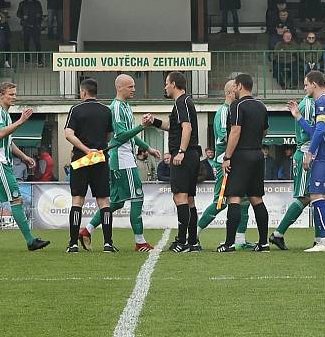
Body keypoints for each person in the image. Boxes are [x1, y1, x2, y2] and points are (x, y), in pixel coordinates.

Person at [78, 75, 160, 252]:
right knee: (137, 196)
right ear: (120, 88)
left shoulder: (125, 106)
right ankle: (140, 242)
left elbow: (128, 135)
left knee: (116, 202)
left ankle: (87, 230)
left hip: (122, 158)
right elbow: (121, 136)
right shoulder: (115, 108)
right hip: (123, 160)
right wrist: (142, 126)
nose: (134, 89)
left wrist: (148, 148)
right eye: (130, 86)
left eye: (134, 86)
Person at [0, 82, 48, 252]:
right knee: (16, 199)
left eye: (15, 94)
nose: (14, 97)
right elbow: (1, 133)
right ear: (0, 95)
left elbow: (8, 141)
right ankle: (30, 241)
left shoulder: (5, 114)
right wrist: (21, 121)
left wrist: (24, 157)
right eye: (11, 94)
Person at [216, 74, 270, 252]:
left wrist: (227, 157)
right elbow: (265, 131)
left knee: (234, 198)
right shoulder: (261, 106)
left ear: (239, 86)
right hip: (257, 154)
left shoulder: (237, 105)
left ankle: (229, 243)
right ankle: (263, 243)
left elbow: (235, 132)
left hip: (240, 156)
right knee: (257, 199)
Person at [197, 80, 252, 249]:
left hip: (237, 162)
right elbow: (226, 137)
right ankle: (194, 233)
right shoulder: (223, 111)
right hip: (224, 163)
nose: (240, 92)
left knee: (244, 200)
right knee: (221, 201)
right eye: (237, 89)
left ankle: (240, 240)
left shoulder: (236, 109)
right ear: (229, 92)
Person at [64, 78, 116, 253]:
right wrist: (97, 146)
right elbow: (109, 135)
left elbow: (68, 134)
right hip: (100, 157)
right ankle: (108, 243)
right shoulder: (106, 110)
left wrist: (86, 149)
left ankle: (72, 244)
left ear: (83, 92)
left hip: (81, 158)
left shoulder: (76, 109)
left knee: (77, 199)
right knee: (103, 201)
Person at [152, 72, 201, 252]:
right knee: (188, 199)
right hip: (190, 155)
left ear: (173, 84)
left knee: (180, 196)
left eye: (166, 83)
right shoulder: (181, 103)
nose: (165, 87)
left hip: (185, 155)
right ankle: (193, 242)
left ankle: (182, 242)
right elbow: (173, 126)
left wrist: (180, 151)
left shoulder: (183, 101)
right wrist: (154, 122)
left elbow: (186, 127)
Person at [297, 70, 325, 252]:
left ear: (314, 84)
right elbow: (317, 130)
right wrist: (298, 117)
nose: (305, 87)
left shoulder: (321, 102)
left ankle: (323, 242)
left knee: (316, 196)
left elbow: (320, 130)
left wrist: (310, 152)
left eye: (306, 84)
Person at [16, 0, 43, 65]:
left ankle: (39, 60)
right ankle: (27, 59)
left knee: (37, 43)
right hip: (26, 26)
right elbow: (18, 13)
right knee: (26, 43)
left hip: (35, 26)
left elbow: (41, 13)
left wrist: (39, 17)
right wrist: (23, 16)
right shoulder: (22, 3)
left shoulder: (37, 3)